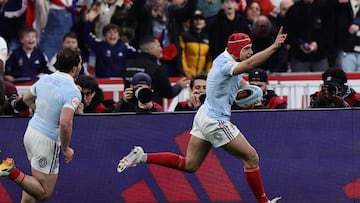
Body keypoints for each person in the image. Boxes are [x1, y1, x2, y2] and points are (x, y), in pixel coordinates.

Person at [117, 27, 287, 203]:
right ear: (236, 50)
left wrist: (252, 92)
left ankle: (142, 156)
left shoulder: (226, 59)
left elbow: (240, 80)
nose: (251, 52)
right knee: (251, 157)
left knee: (189, 165)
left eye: (251, 48)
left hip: (203, 116)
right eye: (247, 49)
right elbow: (250, 65)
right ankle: (264, 201)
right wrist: (274, 46)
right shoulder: (225, 65)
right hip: (215, 120)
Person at [0, 48, 82, 202]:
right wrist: (66, 149)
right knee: (44, 193)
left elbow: (26, 99)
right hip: (47, 141)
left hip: (31, 132)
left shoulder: (45, 79)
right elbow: (65, 123)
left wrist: (42, 113)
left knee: (35, 182)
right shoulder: (72, 90)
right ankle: (10, 171)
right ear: (74, 68)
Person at [122, 35, 189, 106]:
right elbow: (169, 93)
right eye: (158, 46)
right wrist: (179, 86)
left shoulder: (128, 65)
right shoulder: (156, 68)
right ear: (151, 49)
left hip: (128, 110)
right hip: (150, 111)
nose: (161, 49)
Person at [284, 0, 333, 72]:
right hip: (299, 57)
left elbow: (330, 32)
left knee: (322, 81)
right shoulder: (293, 10)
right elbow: (288, 33)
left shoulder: (325, 8)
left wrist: (317, 44)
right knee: (299, 82)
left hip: (320, 56)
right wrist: (299, 44)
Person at [179, 10, 212, 78]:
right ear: (191, 22)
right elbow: (181, 55)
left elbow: (209, 57)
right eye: (195, 19)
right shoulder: (184, 36)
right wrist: (185, 71)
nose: (198, 21)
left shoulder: (209, 37)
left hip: (203, 75)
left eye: (201, 19)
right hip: (186, 75)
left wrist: (208, 72)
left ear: (205, 23)